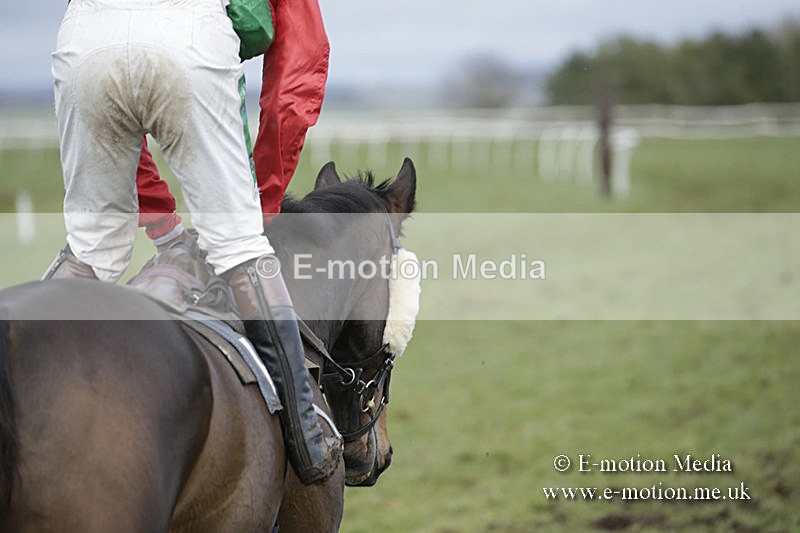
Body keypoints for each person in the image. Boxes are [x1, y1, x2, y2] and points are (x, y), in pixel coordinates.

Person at [43, 0, 340, 485]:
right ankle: (307, 439)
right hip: (189, 34)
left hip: (85, 36)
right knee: (240, 248)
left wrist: (162, 224)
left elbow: (121, 89)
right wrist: (258, 208)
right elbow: (295, 78)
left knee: (90, 250)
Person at [138, 0, 330, 246]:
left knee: (96, 248)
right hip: (209, 49)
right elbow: (293, 91)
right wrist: (263, 203)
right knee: (239, 246)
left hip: (105, 45)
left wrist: (161, 224)